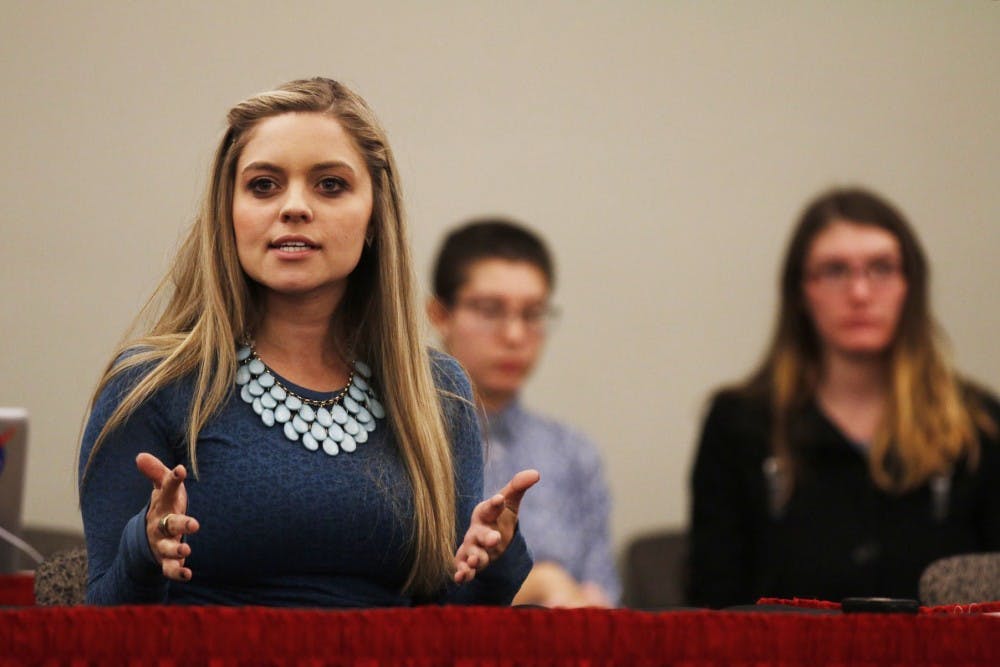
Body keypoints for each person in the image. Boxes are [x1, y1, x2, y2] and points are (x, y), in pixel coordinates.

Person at [77, 78, 540, 607]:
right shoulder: (151, 384)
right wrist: (145, 548)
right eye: (264, 185)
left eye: (330, 185)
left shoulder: (437, 391)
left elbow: (442, 628)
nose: (294, 207)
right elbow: (100, 633)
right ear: (228, 214)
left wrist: (492, 566)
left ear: (373, 219)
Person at [688, 186, 1000, 608]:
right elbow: (711, 606)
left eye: (881, 268)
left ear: (911, 284)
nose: (859, 293)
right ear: (801, 292)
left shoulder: (977, 423)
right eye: (834, 270)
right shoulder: (739, 425)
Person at [427, 219, 620, 607]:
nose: (515, 335)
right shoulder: (404, 436)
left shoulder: (573, 452)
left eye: (532, 314)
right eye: (490, 310)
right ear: (440, 315)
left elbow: (603, 595)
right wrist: (540, 585)